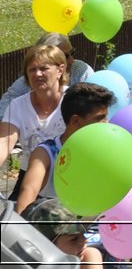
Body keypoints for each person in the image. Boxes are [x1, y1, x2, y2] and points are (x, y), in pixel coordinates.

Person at [14, 83, 114, 212]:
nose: (107, 123)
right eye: (99, 118)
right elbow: (28, 193)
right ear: (76, 121)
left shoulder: (106, 153)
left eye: (106, 116)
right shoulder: (45, 154)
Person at [0, 44, 68, 173]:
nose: (37, 74)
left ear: (60, 70)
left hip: (66, 176)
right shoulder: (17, 105)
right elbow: (4, 142)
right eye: (32, 69)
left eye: (44, 68)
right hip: (29, 174)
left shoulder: (75, 102)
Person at [0, 35, 92, 117]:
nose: (72, 60)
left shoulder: (81, 70)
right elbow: (3, 111)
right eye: (65, 56)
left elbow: (95, 104)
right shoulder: (31, 80)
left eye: (72, 53)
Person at [19, 199, 104, 267]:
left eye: (84, 233)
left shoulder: (87, 258)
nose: (84, 240)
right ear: (45, 244)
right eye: (73, 239)